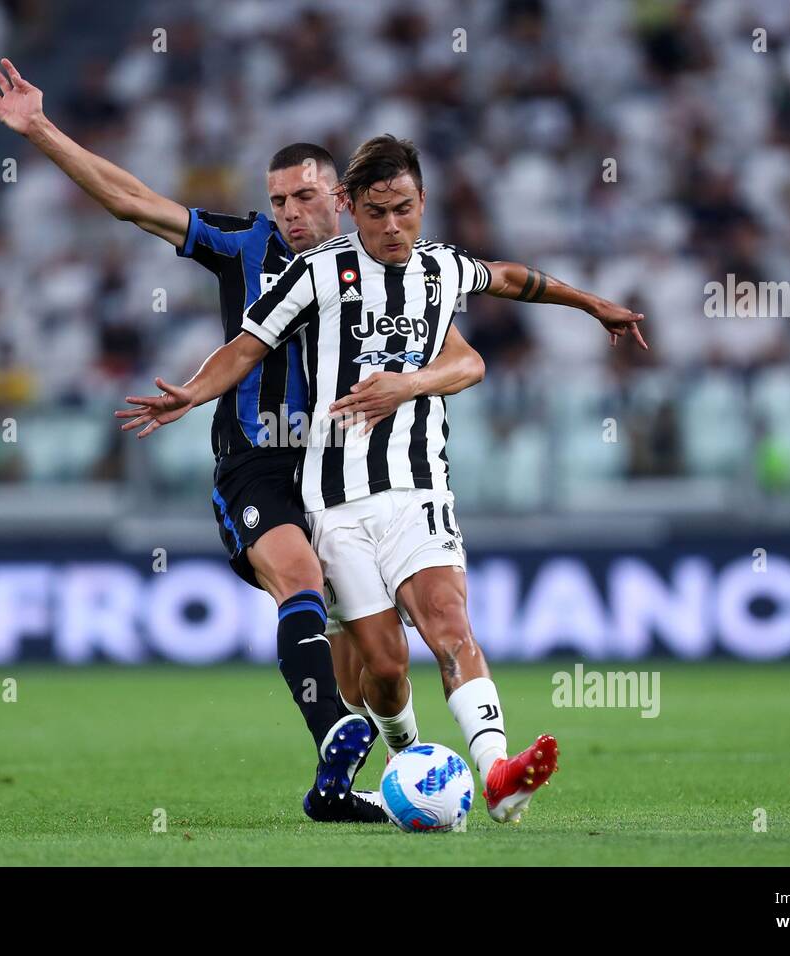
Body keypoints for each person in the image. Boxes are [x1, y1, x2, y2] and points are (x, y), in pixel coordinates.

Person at [0, 60, 486, 822]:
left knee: (372, 666)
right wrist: (41, 129)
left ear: (341, 201)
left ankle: (345, 781)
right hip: (256, 461)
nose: (288, 213)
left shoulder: (389, 267)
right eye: (278, 199)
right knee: (299, 579)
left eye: (305, 197)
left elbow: (458, 353)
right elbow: (135, 204)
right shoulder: (245, 246)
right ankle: (338, 738)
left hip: (344, 476)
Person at [120, 135, 648, 823]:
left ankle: (497, 772)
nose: (393, 227)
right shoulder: (315, 274)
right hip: (333, 501)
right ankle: (409, 760)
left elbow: (512, 278)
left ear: (422, 202)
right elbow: (248, 344)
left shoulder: (442, 270)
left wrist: (590, 303)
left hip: (418, 486)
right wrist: (192, 394)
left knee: (450, 621)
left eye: (404, 209)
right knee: (385, 666)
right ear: (350, 209)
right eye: (376, 214)